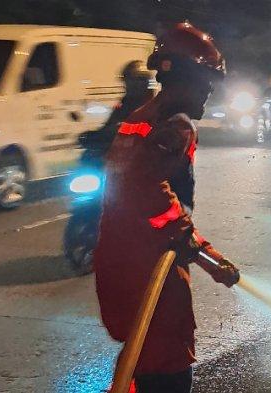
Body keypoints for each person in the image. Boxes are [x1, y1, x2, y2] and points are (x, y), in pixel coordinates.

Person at [92, 22, 240, 393]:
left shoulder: (141, 116)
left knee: (139, 358)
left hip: (120, 258)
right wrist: (202, 253)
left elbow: (136, 192)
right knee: (166, 361)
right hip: (151, 264)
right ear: (184, 79)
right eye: (204, 84)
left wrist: (202, 252)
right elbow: (152, 195)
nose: (208, 93)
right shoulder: (175, 126)